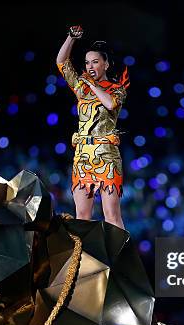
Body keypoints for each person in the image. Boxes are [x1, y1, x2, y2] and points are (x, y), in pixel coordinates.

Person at [55, 25, 130, 229]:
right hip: (83, 156)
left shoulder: (117, 89)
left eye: (95, 62)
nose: (90, 66)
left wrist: (93, 85)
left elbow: (110, 104)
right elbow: (61, 63)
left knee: (111, 215)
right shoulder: (82, 88)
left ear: (105, 64)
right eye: (87, 62)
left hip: (106, 156)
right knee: (81, 215)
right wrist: (71, 38)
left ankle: (120, 259)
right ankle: (83, 259)